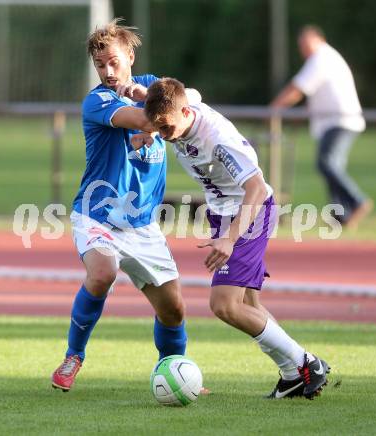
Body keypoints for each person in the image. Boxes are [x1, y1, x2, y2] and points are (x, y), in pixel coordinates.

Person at [132, 77, 330, 399]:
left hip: (248, 212)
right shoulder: (181, 108)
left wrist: (228, 240)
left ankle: (307, 362)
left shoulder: (217, 140)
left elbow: (254, 189)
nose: (163, 136)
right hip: (223, 211)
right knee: (248, 304)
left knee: (223, 305)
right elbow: (184, 93)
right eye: (158, 128)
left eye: (166, 128)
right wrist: (145, 114)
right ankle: (293, 374)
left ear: (185, 112)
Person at [51, 19, 193, 392]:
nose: (108, 71)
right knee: (102, 273)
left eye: (114, 62)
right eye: (100, 65)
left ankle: (173, 368)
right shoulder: (97, 100)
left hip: (142, 224)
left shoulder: (149, 82)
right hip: (96, 214)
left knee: (173, 309)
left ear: (130, 56)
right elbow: (151, 116)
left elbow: (186, 99)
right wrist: (149, 111)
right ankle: (73, 356)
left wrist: (146, 93)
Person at [271, 25, 372, 229]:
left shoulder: (321, 58)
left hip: (340, 120)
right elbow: (320, 92)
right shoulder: (327, 58)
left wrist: (274, 108)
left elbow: (297, 89)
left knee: (326, 163)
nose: (304, 50)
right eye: (302, 46)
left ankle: (357, 201)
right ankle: (340, 216)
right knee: (331, 165)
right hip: (336, 120)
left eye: (306, 44)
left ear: (319, 40)